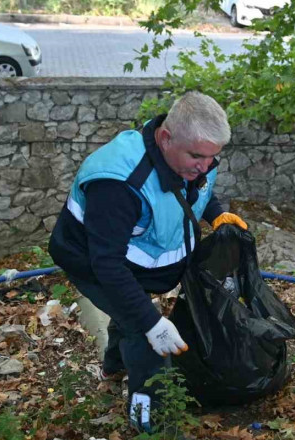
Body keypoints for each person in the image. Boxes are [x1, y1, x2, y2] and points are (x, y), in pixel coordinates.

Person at [48, 91, 247, 432]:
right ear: (166, 138)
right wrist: (152, 323)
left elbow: (198, 187)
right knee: (146, 338)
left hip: (134, 259)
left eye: (213, 158)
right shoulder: (118, 184)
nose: (206, 166)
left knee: (129, 313)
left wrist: (215, 215)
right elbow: (107, 265)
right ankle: (151, 425)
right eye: (198, 156)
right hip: (92, 262)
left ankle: (112, 367)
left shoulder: (193, 156)